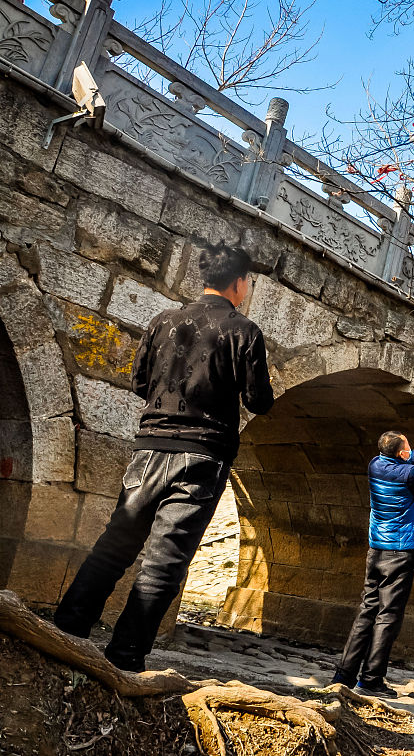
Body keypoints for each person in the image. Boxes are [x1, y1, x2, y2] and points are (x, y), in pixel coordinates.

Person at [55, 243, 274, 672]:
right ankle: (124, 658)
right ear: (239, 282)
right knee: (165, 562)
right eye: (248, 281)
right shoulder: (243, 331)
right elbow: (259, 401)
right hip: (202, 457)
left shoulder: (163, 321)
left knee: (113, 546)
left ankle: (65, 632)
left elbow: (140, 382)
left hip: (150, 449)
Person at [332, 424, 414, 696]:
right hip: (400, 553)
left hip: (376, 550)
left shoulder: (375, 464)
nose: (410, 450)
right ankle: (371, 680)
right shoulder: (411, 475)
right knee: (387, 617)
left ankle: (344, 675)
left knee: (367, 612)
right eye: (408, 446)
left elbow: (406, 465)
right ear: (400, 453)